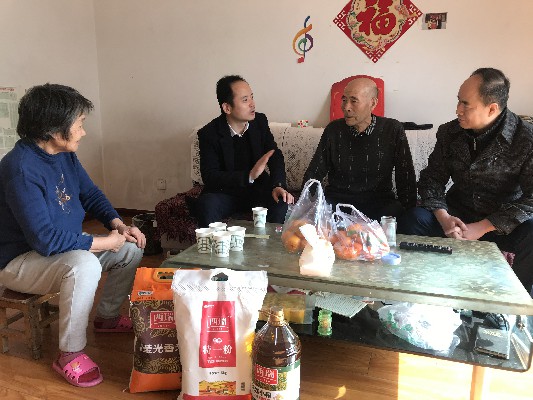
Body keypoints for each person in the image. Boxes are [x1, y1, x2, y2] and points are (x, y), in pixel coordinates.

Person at [0, 84, 146, 387]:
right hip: (18, 262)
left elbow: (90, 194)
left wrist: (119, 226)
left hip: (58, 252)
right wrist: (104, 242)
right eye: (79, 124)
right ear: (54, 129)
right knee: (85, 264)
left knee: (130, 248)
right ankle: (69, 353)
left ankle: (107, 317)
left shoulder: (63, 155)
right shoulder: (20, 168)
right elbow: (45, 240)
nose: (83, 131)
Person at [398, 68, 533, 295]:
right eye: (458, 101)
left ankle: (515, 303)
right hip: (457, 218)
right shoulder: (450, 133)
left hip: (501, 223)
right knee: (413, 219)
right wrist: (444, 218)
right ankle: (414, 291)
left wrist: (483, 227)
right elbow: (432, 179)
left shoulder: (526, 139)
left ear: (492, 108)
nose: (457, 110)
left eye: (465, 104)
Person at [302, 77, 417, 220]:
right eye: (344, 100)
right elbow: (314, 173)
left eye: (354, 101)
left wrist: (410, 215)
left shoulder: (392, 130)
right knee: (318, 215)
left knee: (397, 215)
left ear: (372, 103)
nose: (346, 107)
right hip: (338, 203)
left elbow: (405, 177)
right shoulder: (334, 130)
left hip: (379, 203)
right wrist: (306, 205)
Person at [193, 75, 294, 227]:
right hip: (225, 193)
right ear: (227, 108)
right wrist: (249, 176)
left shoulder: (259, 122)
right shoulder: (209, 134)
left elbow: (275, 156)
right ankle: (216, 243)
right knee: (207, 205)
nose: (252, 104)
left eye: (252, 97)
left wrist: (278, 185)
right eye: (245, 100)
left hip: (258, 191)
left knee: (281, 201)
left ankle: (270, 242)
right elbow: (210, 176)